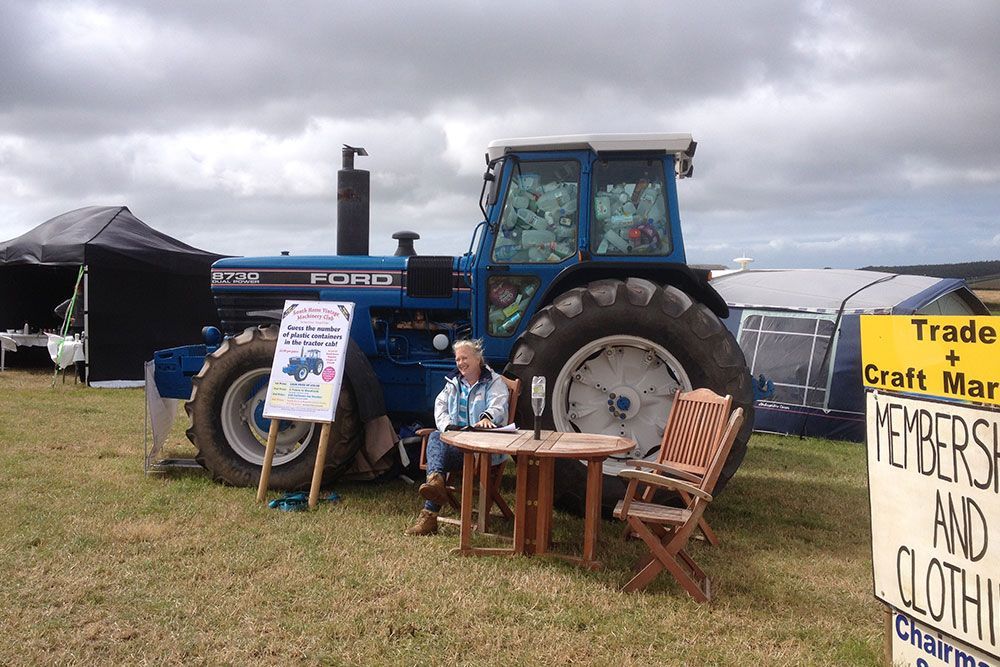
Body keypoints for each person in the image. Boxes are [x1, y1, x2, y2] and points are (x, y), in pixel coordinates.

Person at [405, 339, 509, 536]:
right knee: (436, 436)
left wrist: (487, 417)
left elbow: (499, 405)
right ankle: (436, 482)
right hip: (458, 449)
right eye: (457, 359)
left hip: (483, 452)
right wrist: (448, 427)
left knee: (437, 442)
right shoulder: (453, 383)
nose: (460, 363)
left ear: (478, 358)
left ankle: (429, 514)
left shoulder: (494, 382)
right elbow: (440, 407)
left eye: (465, 358)